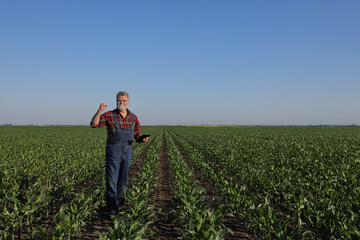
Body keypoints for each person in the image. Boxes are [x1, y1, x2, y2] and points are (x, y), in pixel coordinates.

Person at [90, 91, 149, 215]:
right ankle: (112, 207)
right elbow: (94, 124)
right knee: (112, 179)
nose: (121, 103)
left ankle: (119, 205)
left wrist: (142, 139)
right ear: (116, 101)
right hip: (113, 150)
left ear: (128, 102)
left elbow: (137, 134)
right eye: (119, 101)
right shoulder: (109, 115)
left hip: (127, 151)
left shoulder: (133, 117)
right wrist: (99, 110)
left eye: (124, 101)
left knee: (123, 180)